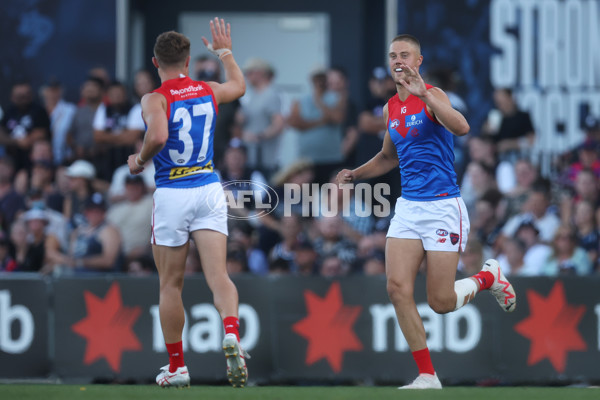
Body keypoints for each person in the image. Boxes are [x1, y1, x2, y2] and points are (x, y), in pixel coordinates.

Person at [336, 34, 516, 390]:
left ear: (418, 61)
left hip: (442, 206)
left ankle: (488, 278)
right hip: (408, 207)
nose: (398, 61)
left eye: (405, 55)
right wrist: (355, 174)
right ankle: (427, 375)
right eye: (393, 56)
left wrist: (425, 94)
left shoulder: (432, 96)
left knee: (441, 302)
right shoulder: (390, 108)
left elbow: (463, 127)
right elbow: (389, 157)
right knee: (397, 288)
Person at [126, 19, 248, 389]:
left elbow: (159, 135)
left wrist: (140, 160)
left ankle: (177, 366)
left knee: (170, 284)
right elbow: (239, 87)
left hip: (172, 192)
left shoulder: (155, 98)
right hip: (209, 186)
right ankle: (231, 333)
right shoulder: (208, 89)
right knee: (219, 276)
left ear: (155, 62)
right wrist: (225, 52)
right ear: (189, 59)